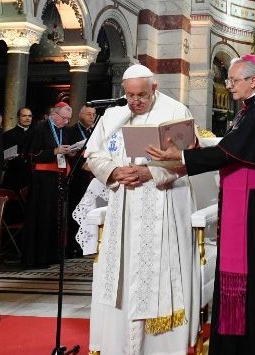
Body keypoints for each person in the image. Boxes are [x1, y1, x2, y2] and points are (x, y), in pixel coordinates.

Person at [147, 54, 255, 355]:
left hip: (252, 207)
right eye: (229, 80)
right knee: (248, 274)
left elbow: (230, 154)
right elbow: (231, 148)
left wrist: (181, 156)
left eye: (234, 80)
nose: (229, 85)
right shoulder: (251, 109)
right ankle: (240, 344)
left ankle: (254, 345)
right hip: (248, 201)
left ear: (253, 80)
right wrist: (194, 147)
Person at [83, 65, 195, 355]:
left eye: (142, 95)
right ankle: (117, 345)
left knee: (157, 274)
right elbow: (93, 154)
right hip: (123, 205)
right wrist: (114, 171)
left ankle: (160, 348)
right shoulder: (113, 115)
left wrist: (151, 172)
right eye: (130, 95)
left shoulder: (175, 111)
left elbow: (188, 158)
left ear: (154, 88)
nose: (135, 101)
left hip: (162, 203)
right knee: (120, 275)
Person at [21, 102, 74, 268]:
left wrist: (71, 152)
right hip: (42, 180)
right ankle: (38, 258)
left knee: (56, 216)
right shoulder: (39, 128)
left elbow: (65, 152)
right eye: (64, 118)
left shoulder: (65, 130)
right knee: (42, 217)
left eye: (68, 119)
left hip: (59, 177)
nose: (66, 122)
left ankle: (53, 255)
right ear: (54, 115)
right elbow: (28, 155)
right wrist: (54, 151)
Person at [65, 105, 96, 258]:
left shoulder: (94, 131)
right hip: (77, 176)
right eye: (88, 114)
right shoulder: (71, 131)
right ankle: (73, 246)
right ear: (80, 115)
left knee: (90, 210)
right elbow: (69, 153)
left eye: (94, 114)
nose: (92, 117)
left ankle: (88, 244)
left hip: (92, 176)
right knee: (76, 209)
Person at [1, 106, 34, 191]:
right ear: (18, 118)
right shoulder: (8, 135)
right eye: (24, 116)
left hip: (32, 175)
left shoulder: (36, 134)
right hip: (14, 174)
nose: (27, 118)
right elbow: (2, 155)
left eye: (29, 116)